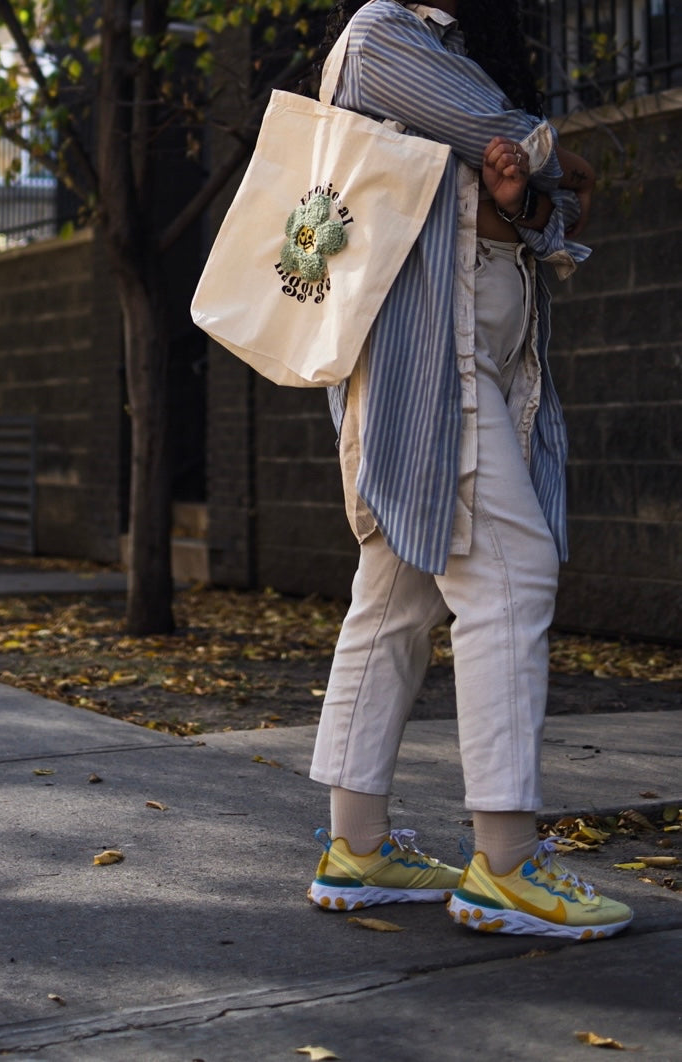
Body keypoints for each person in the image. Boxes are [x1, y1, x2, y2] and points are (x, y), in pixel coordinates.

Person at [306, 0, 633, 941]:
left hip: (474, 355)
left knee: (398, 593)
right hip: (427, 357)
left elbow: (549, 202)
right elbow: (528, 149)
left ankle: (356, 848)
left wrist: (520, 195)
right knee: (508, 572)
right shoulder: (381, 37)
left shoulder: (448, 51)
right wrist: (538, 162)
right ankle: (504, 861)